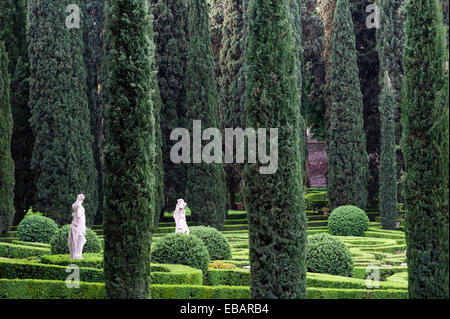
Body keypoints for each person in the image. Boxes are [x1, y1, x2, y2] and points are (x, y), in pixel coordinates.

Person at [68, 193, 87, 259]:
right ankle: (76, 254)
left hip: (79, 225)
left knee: (80, 239)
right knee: (78, 239)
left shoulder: (77, 205)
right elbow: (78, 215)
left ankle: (76, 254)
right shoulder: (78, 206)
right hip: (78, 225)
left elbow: (75, 207)